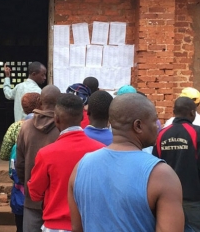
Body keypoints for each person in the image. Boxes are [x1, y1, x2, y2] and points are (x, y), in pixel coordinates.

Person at [68, 93, 184, 232]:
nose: (158, 126)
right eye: (154, 121)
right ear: (138, 126)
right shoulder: (161, 175)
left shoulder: (80, 167)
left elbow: (77, 228)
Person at [28, 93, 105, 232]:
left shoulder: (46, 154)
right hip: (90, 225)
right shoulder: (101, 150)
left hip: (55, 225)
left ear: (56, 119)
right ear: (82, 117)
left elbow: (35, 193)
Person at [16, 85, 61, 232]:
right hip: (57, 198)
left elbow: (20, 163)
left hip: (32, 196)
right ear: (59, 102)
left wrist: (28, 183)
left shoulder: (25, 127)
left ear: (40, 102)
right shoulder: (62, 127)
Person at [153, 97, 200, 231]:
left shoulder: (161, 134)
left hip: (166, 201)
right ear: (192, 113)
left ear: (173, 112)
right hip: (192, 200)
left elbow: (155, 165)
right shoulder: (197, 133)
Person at [0, 92, 41, 232]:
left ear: (23, 108)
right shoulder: (53, 126)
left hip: (20, 190)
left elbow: (4, 154)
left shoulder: (15, 127)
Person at [0, 92, 41, 161]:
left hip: (21, 167)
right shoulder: (49, 124)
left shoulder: (15, 127)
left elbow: (4, 154)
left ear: (24, 109)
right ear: (41, 106)